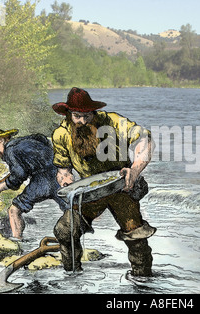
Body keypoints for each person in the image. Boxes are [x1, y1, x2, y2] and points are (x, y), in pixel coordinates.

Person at [52, 87, 156, 276]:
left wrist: (134, 170)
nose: (82, 121)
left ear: (94, 113)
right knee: (65, 230)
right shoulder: (61, 134)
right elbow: (63, 168)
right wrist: (65, 178)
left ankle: (143, 281)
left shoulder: (113, 122)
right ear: (69, 115)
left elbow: (145, 140)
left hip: (122, 187)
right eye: (76, 116)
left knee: (136, 236)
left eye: (87, 116)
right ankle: (72, 278)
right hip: (90, 193)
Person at [0, 129, 69, 240]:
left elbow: (19, 175)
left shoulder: (10, 149)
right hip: (59, 174)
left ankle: (18, 240)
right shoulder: (24, 142)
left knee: (14, 210)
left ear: (2, 140)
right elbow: (42, 138)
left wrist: (0, 188)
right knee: (70, 208)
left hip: (42, 180)